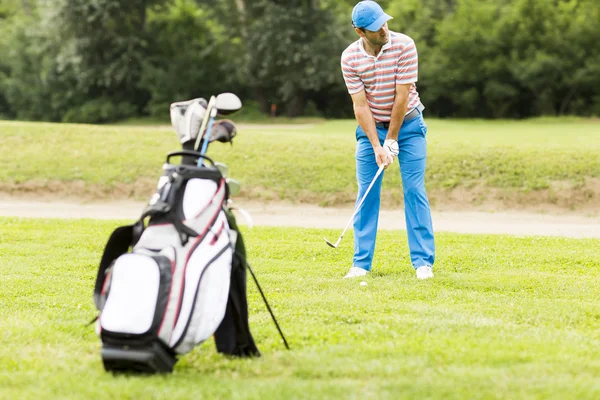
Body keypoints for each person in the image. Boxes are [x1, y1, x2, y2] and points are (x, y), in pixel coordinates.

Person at [340, 1, 435, 280]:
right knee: (367, 191)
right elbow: (360, 106)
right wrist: (376, 144)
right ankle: (361, 263)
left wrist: (392, 139)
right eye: (375, 27)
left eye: (384, 22)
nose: (384, 29)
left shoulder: (404, 45)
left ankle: (422, 263)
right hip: (372, 128)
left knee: (414, 190)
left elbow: (402, 96)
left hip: (409, 125)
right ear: (360, 32)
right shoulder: (349, 58)